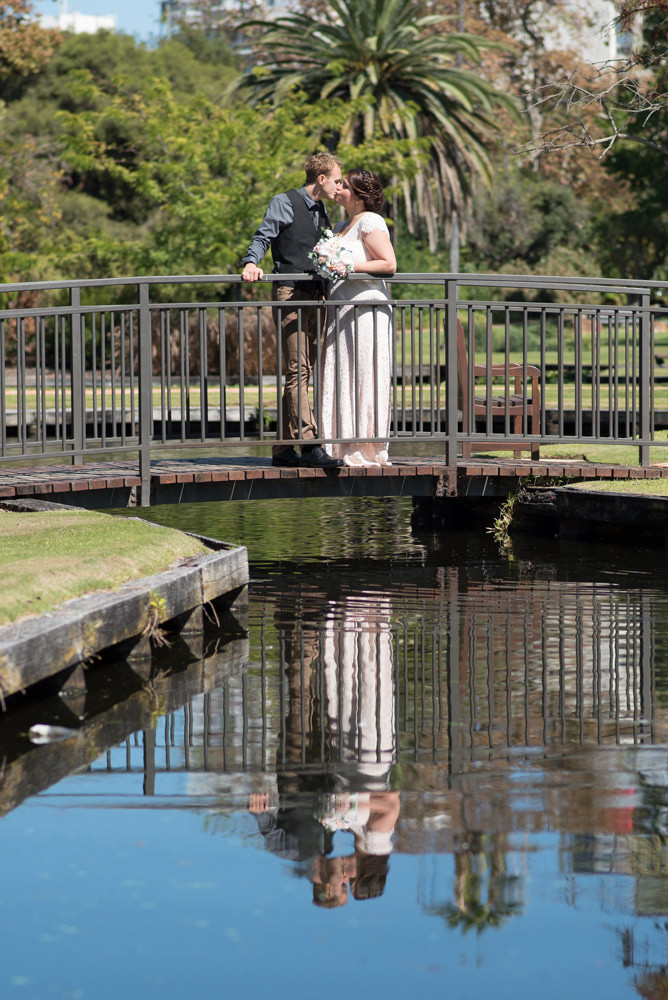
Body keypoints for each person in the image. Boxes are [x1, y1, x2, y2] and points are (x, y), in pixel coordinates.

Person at [241, 152, 344, 469]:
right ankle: (310, 445)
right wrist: (250, 263)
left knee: (302, 372)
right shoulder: (284, 202)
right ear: (322, 179)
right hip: (290, 294)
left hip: (316, 296)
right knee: (299, 370)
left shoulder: (322, 210)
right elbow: (264, 236)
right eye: (337, 181)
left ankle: (283, 450)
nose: (340, 187)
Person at [320, 168, 397, 467]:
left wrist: (348, 265)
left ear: (360, 195)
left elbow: (388, 263)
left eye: (345, 186)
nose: (339, 189)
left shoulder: (371, 221)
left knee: (365, 371)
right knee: (343, 372)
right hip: (340, 309)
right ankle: (340, 444)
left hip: (366, 309)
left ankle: (366, 446)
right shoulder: (341, 224)